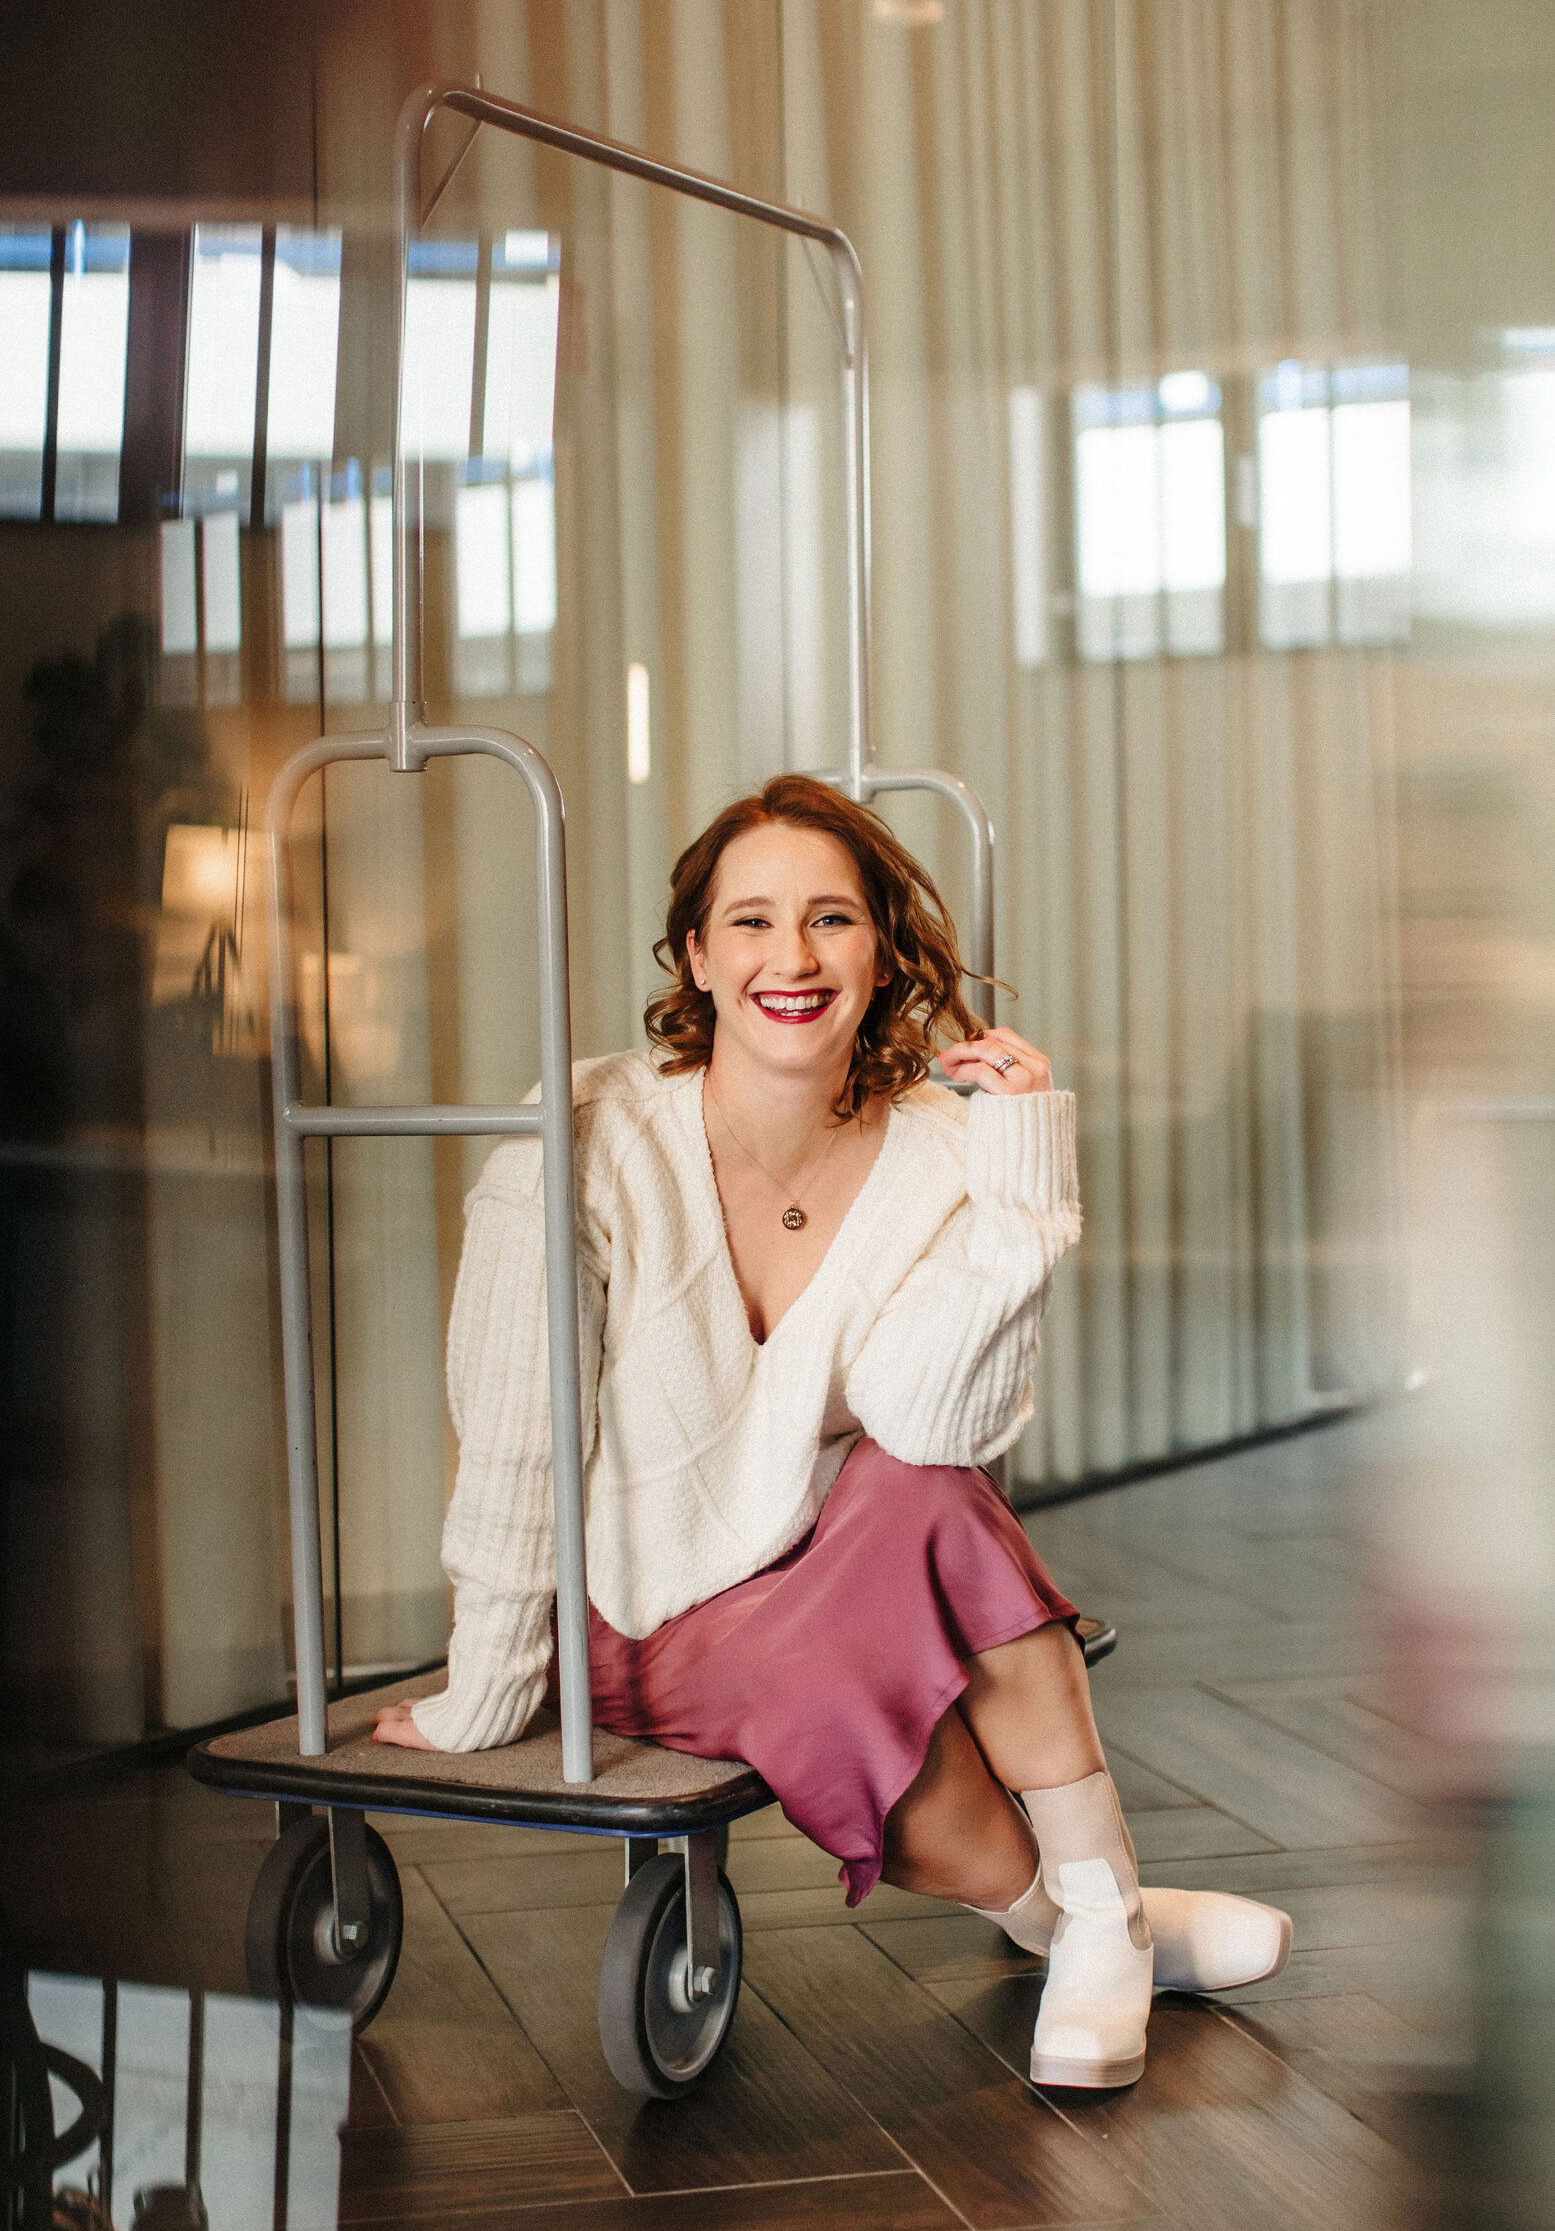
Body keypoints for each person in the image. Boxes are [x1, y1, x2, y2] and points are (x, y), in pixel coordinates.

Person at [373, 773, 1289, 2089]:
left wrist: (1019, 1184)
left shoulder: (936, 1144)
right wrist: (483, 1697)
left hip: (825, 1545)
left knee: (933, 1494)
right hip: (642, 1600)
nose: (790, 959)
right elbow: (517, 1449)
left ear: (881, 949)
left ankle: (1103, 1927)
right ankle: (1099, 1923)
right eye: (749, 923)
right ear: (695, 955)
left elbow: (933, 1421)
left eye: (830, 920)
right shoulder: (573, 1150)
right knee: (843, 1706)